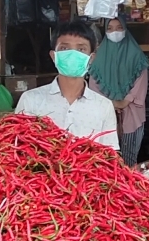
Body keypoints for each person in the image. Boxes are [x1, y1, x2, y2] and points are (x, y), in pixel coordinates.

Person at [15, 21, 119, 151]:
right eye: (64, 48)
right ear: (54, 56)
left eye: (81, 49)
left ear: (91, 58)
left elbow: (110, 156)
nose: (72, 54)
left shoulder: (104, 107)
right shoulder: (31, 100)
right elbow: (18, 148)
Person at [88, 17, 149, 167]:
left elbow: (141, 80)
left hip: (132, 112)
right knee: (108, 159)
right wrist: (110, 103)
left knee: (129, 159)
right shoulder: (98, 58)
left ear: (125, 30)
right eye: (110, 28)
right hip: (105, 112)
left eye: (119, 27)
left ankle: (129, 187)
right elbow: (93, 84)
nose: (114, 31)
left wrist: (125, 101)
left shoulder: (136, 56)